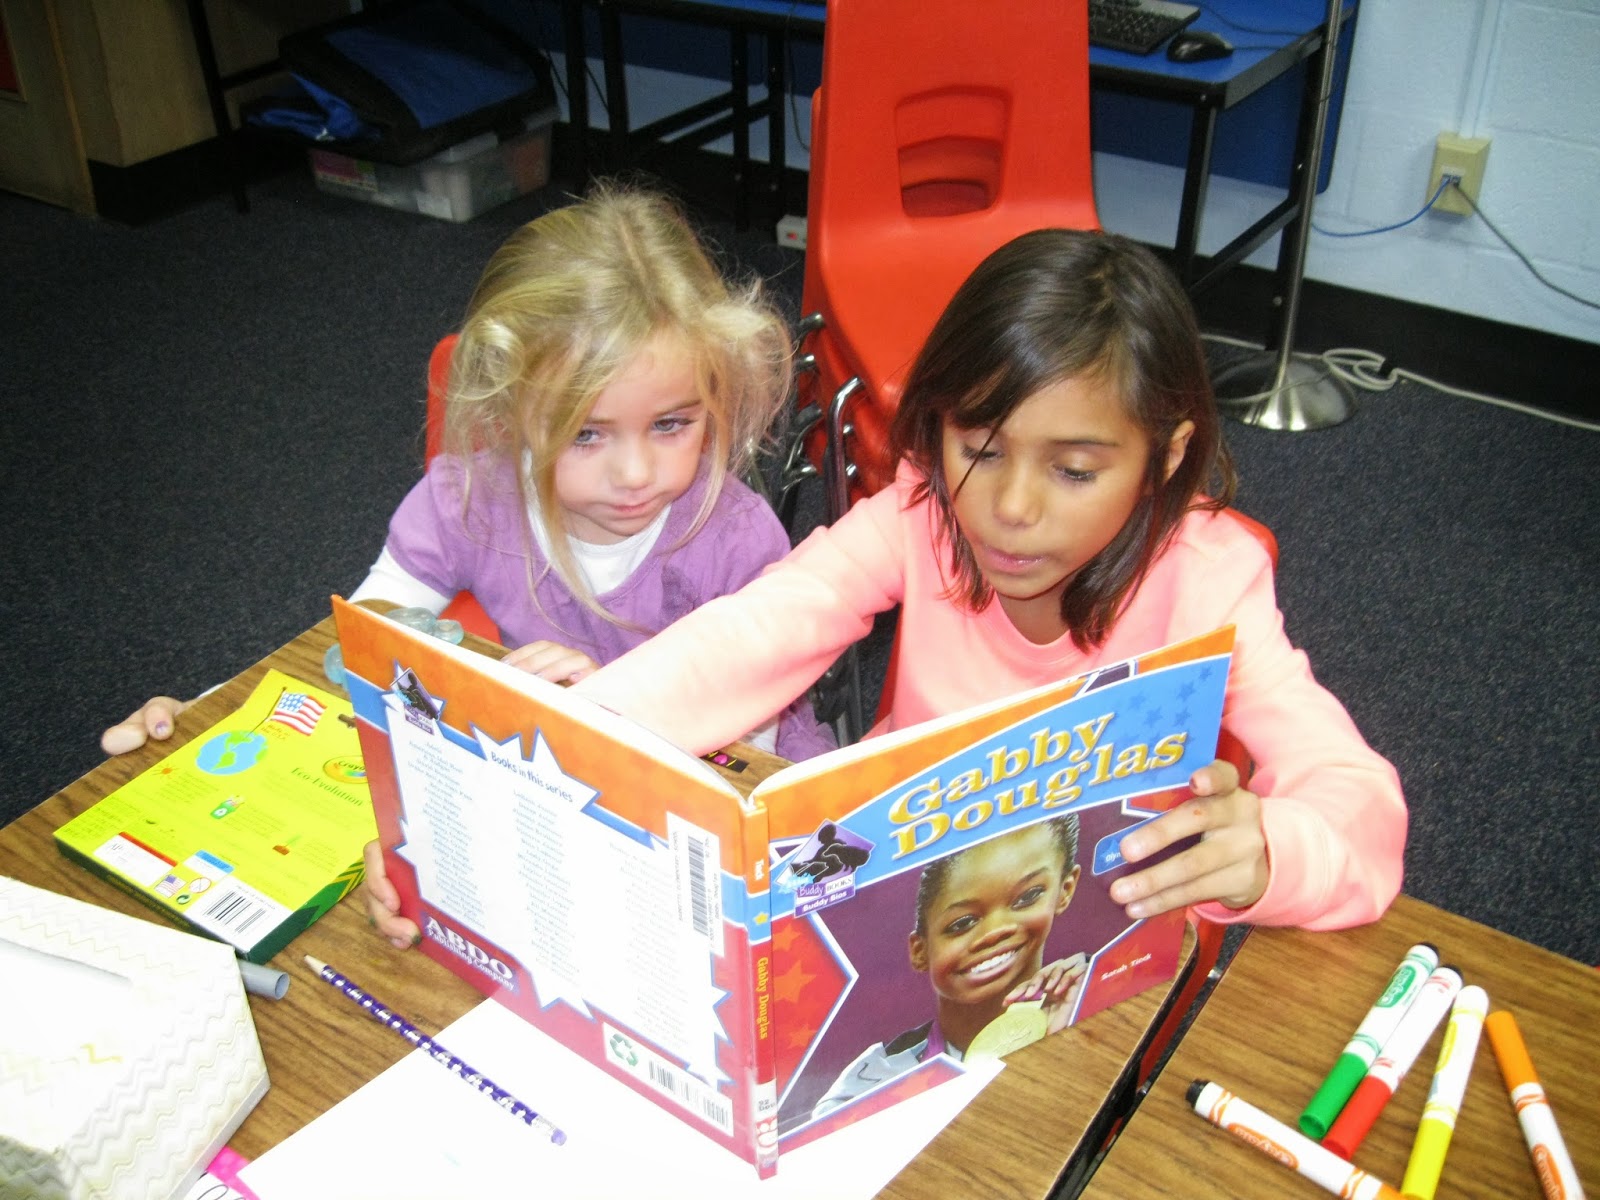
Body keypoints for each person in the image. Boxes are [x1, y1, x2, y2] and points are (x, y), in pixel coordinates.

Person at [563, 226, 1406, 935]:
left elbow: (1357, 804)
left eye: (1074, 472)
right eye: (980, 449)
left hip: (1085, 936)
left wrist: (1270, 855)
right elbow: (761, 627)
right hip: (909, 902)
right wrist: (574, 729)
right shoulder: (921, 511)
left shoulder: (1209, 580)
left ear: (1166, 456)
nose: (1010, 509)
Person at [100, 186, 837, 775]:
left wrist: (610, 709)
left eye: (672, 423)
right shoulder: (469, 500)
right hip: (537, 774)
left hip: (725, 780)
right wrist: (208, 715)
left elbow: (744, 762)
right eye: (584, 433)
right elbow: (359, 643)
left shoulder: (735, 540)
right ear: (510, 409)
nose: (637, 473)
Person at [811, 815, 1085, 1118]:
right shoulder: (869, 1082)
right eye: (962, 923)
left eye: (1028, 897)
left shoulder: (1087, 996)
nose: (996, 931)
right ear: (920, 951)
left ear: (1065, 889)